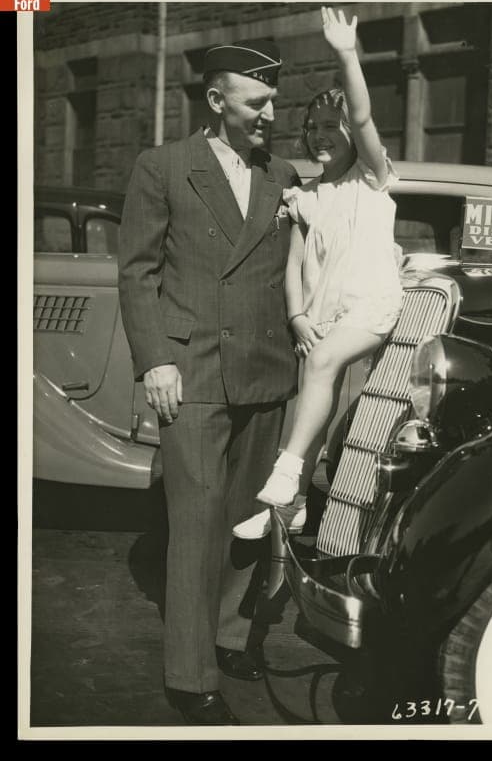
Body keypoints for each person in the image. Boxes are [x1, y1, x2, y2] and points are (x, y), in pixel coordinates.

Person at [118, 38, 306, 725]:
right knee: (195, 526)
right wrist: (154, 359)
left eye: (274, 102)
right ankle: (189, 675)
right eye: (257, 102)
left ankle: (230, 637)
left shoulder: (281, 173)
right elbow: (138, 271)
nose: (269, 114)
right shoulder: (163, 166)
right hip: (191, 370)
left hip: (266, 371)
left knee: (249, 521)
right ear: (217, 99)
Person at [233, 8, 403, 540]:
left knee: (324, 365)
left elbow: (366, 116)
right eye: (312, 129)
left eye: (332, 127)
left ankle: (283, 475)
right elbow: (293, 266)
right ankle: (293, 504)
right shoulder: (305, 197)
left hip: (372, 306)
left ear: (352, 133)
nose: (320, 136)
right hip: (325, 318)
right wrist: (299, 316)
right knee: (310, 399)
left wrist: (346, 52)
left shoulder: (371, 179)